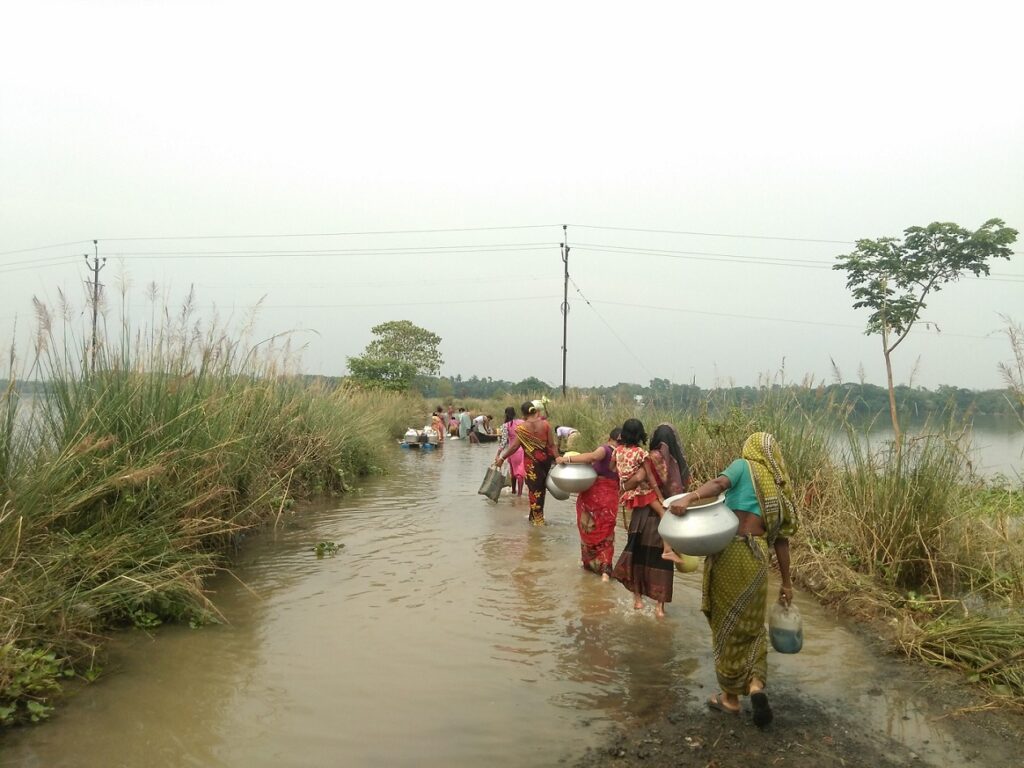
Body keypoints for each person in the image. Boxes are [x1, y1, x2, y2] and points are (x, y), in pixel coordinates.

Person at [668, 432, 799, 728]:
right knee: (752, 626)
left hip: (732, 552)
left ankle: (730, 698)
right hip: (758, 559)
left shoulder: (743, 466)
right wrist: (787, 583)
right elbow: (782, 542)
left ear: (751, 450)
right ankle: (755, 685)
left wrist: (689, 497)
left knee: (727, 623)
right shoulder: (778, 487)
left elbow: (718, 485)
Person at [610, 419, 676, 616]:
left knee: (635, 554)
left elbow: (618, 472)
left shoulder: (618, 451)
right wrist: (662, 496)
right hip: (653, 506)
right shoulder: (661, 458)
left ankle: (637, 600)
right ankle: (659, 607)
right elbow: (650, 479)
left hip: (637, 510)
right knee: (661, 563)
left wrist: (623, 483)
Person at [555, 427, 621, 581]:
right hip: (611, 497)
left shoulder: (605, 449)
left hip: (593, 496)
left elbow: (590, 457)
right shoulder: (624, 453)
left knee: (588, 528)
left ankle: (589, 565)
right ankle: (605, 569)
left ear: (609, 437)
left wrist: (566, 459)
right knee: (607, 531)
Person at [494, 401, 559, 525]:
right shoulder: (545, 425)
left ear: (523, 414)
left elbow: (513, 448)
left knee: (534, 490)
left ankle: (538, 521)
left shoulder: (522, 428)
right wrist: (558, 459)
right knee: (541, 490)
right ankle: (534, 516)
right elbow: (552, 445)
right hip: (545, 462)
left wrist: (502, 458)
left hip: (532, 464)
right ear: (535, 411)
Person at [497, 406, 525, 496]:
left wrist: (498, 454)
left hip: (513, 451)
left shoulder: (505, 426)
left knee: (513, 473)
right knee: (520, 473)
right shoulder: (522, 422)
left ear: (505, 414)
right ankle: (520, 494)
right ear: (514, 413)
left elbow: (504, 442)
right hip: (523, 450)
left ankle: (513, 491)